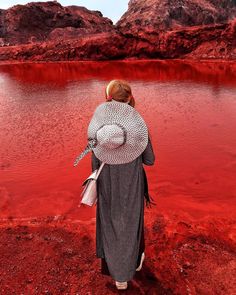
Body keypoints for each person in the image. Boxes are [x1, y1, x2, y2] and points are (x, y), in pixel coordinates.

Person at [76, 79, 155, 290]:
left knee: (110, 224)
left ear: (107, 98)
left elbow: (94, 162)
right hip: (131, 185)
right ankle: (128, 269)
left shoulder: (98, 127)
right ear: (129, 98)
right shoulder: (138, 126)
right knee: (130, 224)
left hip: (107, 185)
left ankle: (117, 274)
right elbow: (150, 160)